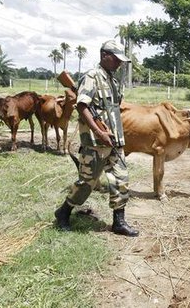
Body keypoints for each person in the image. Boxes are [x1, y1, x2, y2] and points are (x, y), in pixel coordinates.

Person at [54, 40, 139, 237]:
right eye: (116, 59)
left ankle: (119, 222)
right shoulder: (92, 77)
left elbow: (113, 109)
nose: (118, 64)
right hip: (95, 142)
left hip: (115, 139)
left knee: (121, 179)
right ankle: (63, 213)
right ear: (104, 56)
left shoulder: (113, 81)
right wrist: (99, 132)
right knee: (87, 182)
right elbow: (83, 107)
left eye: (120, 60)